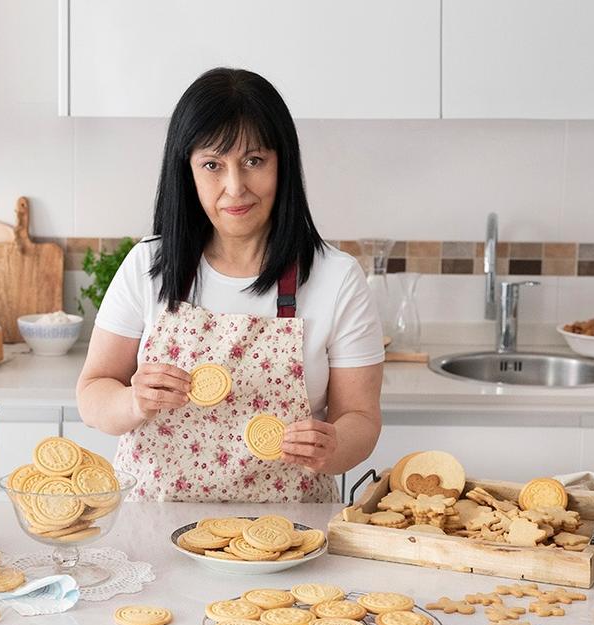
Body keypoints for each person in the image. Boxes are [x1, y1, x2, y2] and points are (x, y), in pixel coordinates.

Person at [75, 68, 384, 502]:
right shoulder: (149, 264)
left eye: (254, 161)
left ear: (283, 163)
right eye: (212, 165)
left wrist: (332, 447)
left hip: (292, 536)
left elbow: (361, 418)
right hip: (154, 528)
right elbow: (92, 394)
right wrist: (133, 402)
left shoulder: (337, 278)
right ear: (188, 171)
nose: (235, 187)